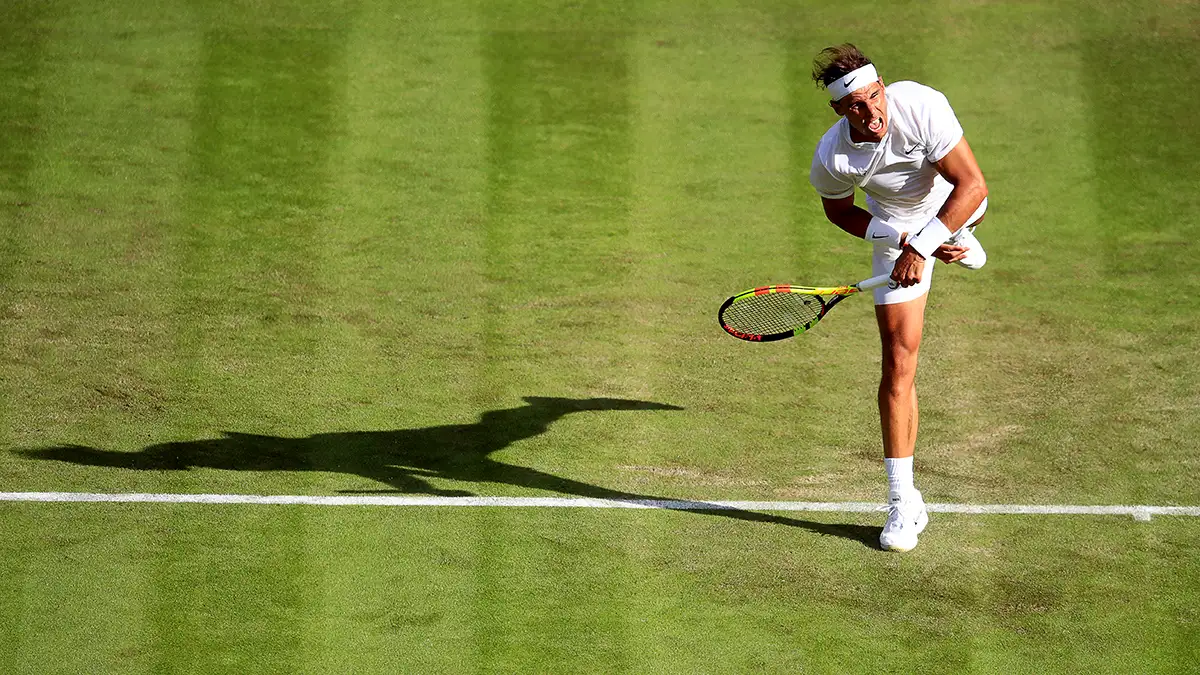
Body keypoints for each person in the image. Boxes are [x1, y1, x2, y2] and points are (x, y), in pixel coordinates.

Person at [808, 44, 989, 552]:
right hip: (896, 227)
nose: (872, 113)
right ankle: (904, 500)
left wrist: (926, 244)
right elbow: (839, 211)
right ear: (840, 110)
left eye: (874, 97)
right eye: (857, 107)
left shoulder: (922, 105)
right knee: (898, 361)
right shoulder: (832, 156)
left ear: (883, 85)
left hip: (952, 203)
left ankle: (960, 238)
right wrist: (895, 240)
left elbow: (971, 183)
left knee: (969, 209)